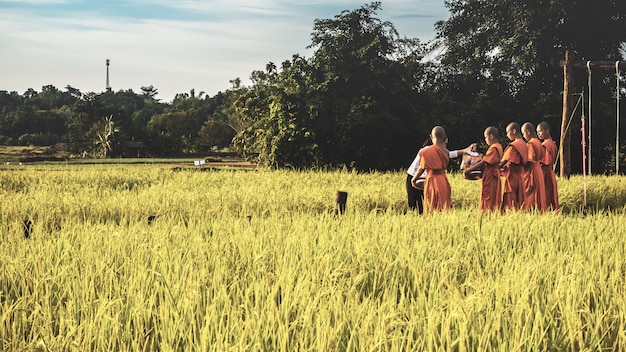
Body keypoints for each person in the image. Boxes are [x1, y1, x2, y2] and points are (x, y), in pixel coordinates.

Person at [407, 140, 476, 214]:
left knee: (430, 206)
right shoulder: (427, 150)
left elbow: (448, 154)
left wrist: (464, 151)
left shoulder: (437, 151)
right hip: (416, 177)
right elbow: (419, 168)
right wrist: (415, 180)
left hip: (426, 179)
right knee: (416, 208)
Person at [410, 126, 452, 212]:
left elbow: (422, 168)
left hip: (431, 179)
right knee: (443, 204)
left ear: (431, 137)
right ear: (445, 138)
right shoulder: (446, 151)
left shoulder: (425, 151)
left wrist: (414, 180)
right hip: (443, 179)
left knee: (431, 204)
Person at [463, 126, 503, 212]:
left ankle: (487, 213)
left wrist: (469, 170)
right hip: (493, 174)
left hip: (490, 175)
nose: (485, 140)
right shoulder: (499, 146)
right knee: (494, 195)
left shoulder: (494, 148)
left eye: (486, 137)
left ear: (491, 136)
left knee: (488, 196)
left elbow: (484, 162)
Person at [499, 122, 528, 211]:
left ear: (514, 131)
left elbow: (503, 162)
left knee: (509, 198)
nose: (507, 135)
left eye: (508, 132)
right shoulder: (524, 144)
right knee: (519, 198)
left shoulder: (514, 146)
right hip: (520, 175)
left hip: (511, 175)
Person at [521, 122, 547, 211]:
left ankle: (531, 210)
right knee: (539, 192)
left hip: (531, 171)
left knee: (530, 193)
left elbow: (529, 160)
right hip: (538, 169)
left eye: (523, 133)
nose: (524, 136)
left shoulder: (531, 144)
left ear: (528, 132)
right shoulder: (539, 142)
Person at [537, 121, 559, 210]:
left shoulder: (546, 145)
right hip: (550, 173)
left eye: (540, 131)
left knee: (546, 194)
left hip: (545, 173)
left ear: (547, 131)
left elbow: (545, 161)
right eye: (537, 132)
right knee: (550, 194)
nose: (538, 134)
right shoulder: (552, 144)